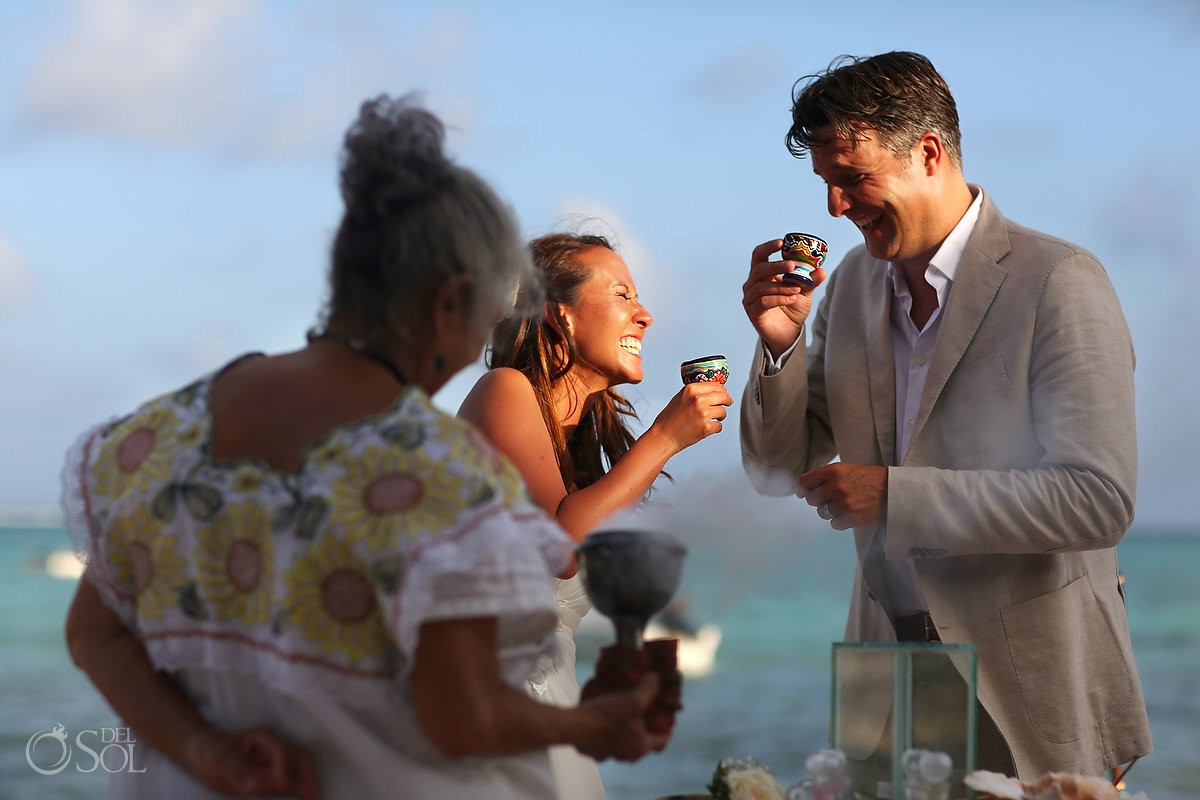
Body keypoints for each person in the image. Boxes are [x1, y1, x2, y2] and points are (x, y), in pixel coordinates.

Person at [62, 95, 669, 800]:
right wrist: (595, 724)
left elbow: (95, 637)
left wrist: (211, 752)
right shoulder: (439, 473)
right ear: (450, 302)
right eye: (486, 316)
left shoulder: (156, 438)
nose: (483, 345)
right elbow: (461, 718)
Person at [738, 51, 1151, 781]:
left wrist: (894, 496)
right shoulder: (850, 290)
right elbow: (776, 466)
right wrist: (780, 347)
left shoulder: (1060, 280)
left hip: (1029, 692)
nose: (836, 206)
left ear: (928, 153)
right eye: (827, 184)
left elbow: (1098, 499)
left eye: (852, 178)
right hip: (884, 690)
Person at [458, 231, 733, 799]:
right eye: (623, 296)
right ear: (562, 318)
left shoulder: (580, 450)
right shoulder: (502, 391)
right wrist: (664, 438)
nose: (645, 316)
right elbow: (558, 545)